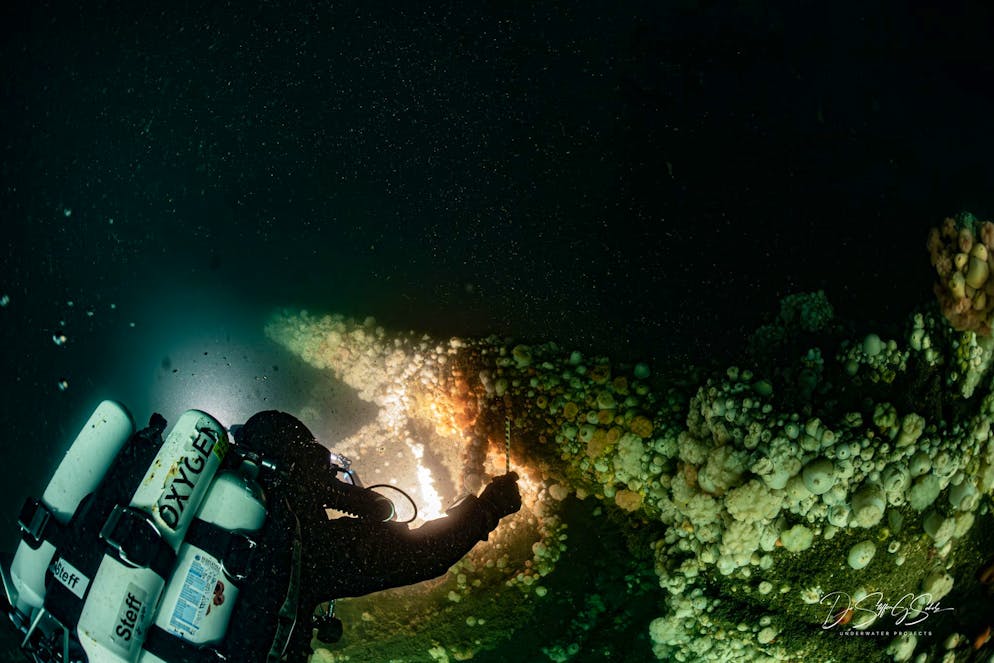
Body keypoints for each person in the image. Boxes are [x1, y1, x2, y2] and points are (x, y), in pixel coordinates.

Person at [225, 411, 522, 661]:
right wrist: (490, 507)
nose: (330, 475)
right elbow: (425, 553)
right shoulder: (308, 548)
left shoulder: (230, 529)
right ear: (300, 464)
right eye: (319, 463)